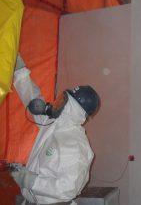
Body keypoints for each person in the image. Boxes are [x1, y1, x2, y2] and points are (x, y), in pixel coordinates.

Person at [10, 55, 100, 205]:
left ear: (72, 109)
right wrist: (20, 70)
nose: (55, 104)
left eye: (62, 102)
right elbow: (32, 97)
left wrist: (31, 181)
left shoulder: (74, 144)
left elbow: (68, 188)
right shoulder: (54, 124)